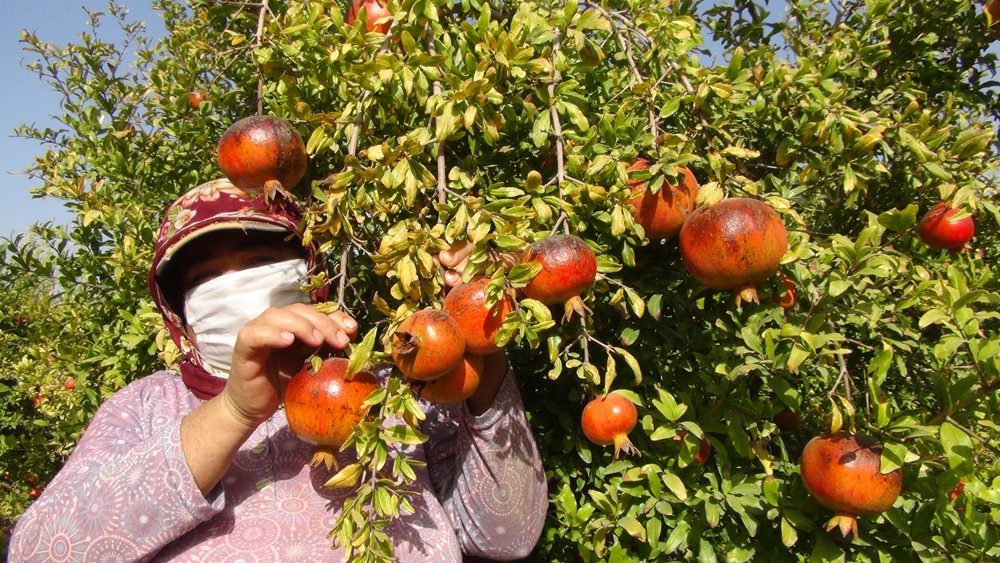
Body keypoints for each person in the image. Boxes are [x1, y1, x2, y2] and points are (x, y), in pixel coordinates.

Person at [8, 178, 547, 562]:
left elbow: (505, 535)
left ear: (307, 270)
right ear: (181, 314)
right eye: (206, 276)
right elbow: (40, 552)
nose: (235, 284)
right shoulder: (145, 407)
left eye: (257, 260)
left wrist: (479, 331)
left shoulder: (393, 386)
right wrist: (234, 411)